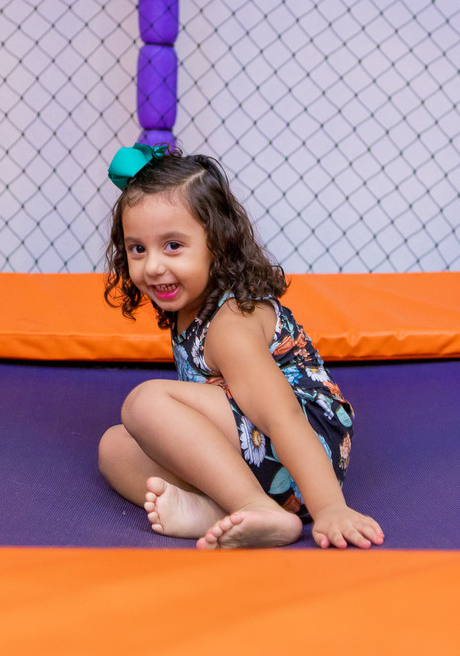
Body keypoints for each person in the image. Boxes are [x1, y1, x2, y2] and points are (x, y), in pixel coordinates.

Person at [97, 142, 384, 550]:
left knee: (145, 402)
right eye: (137, 248)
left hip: (305, 451)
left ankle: (256, 505)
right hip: (257, 450)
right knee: (114, 446)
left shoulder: (230, 323)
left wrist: (329, 508)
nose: (153, 265)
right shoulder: (188, 304)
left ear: (217, 242)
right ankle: (226, 509)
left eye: (173, 245)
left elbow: (281, 416)